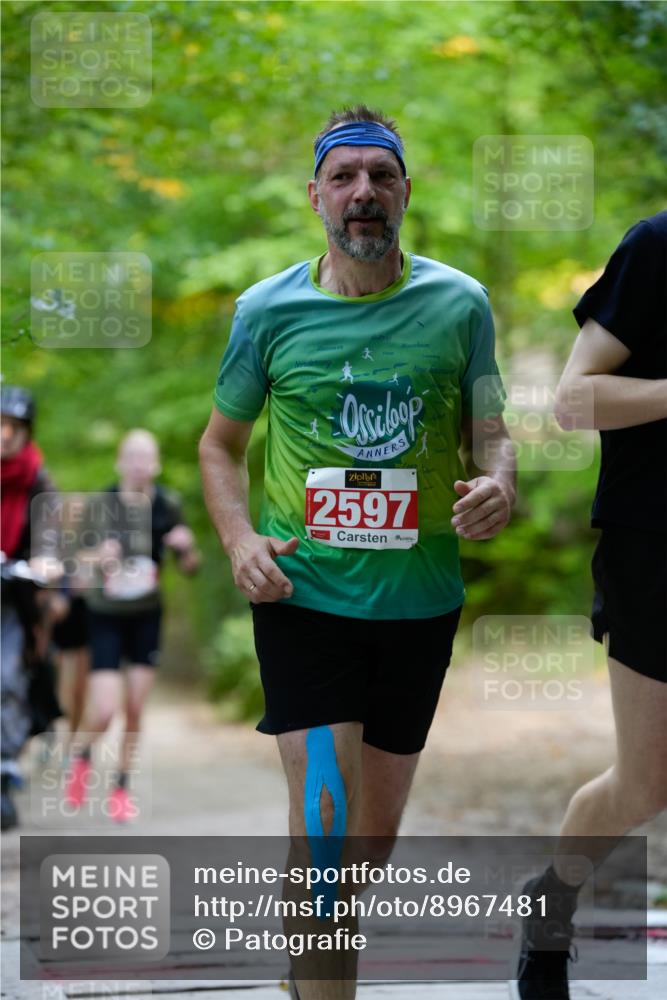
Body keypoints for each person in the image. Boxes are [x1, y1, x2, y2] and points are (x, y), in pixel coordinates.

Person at [199, 105, 516, 999]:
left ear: (406, 191)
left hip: (419, 603)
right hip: (304, 599)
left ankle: (307, 968)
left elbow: (491, 432)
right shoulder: (266, 311)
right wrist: (239, 539)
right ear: (316, 197)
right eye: (344, 177)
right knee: (328, 838)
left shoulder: (460, 304)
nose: (363, 192)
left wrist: (499, 481)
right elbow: (219, 446)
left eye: (380, 175)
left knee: (368, 845)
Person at [512, 211, 667, 999]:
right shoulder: (656, 246)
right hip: (654, 549)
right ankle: (550, 902)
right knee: (646, 784)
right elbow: (572, 400)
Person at [64, 429, 200, 823]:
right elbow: (75, 561)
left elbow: (190, 567)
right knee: (106, 710)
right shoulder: (100, 504)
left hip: (146, 615)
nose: (140, 465)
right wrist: (98, 555)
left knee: (136, 707)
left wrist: (186, 547)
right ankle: (81, 754)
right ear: (121, 462)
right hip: (105, 614)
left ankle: (121, 787)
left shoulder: (167, 504)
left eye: (146, 458)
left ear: (156, 464)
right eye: (133, 457)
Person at [1, 385, 64, 830]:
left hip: (12, 597)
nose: (5, 435)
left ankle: (4, 771)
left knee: (6, 678)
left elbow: (50, 531)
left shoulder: (38, 479)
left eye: (14, 428)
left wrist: (47, 559)